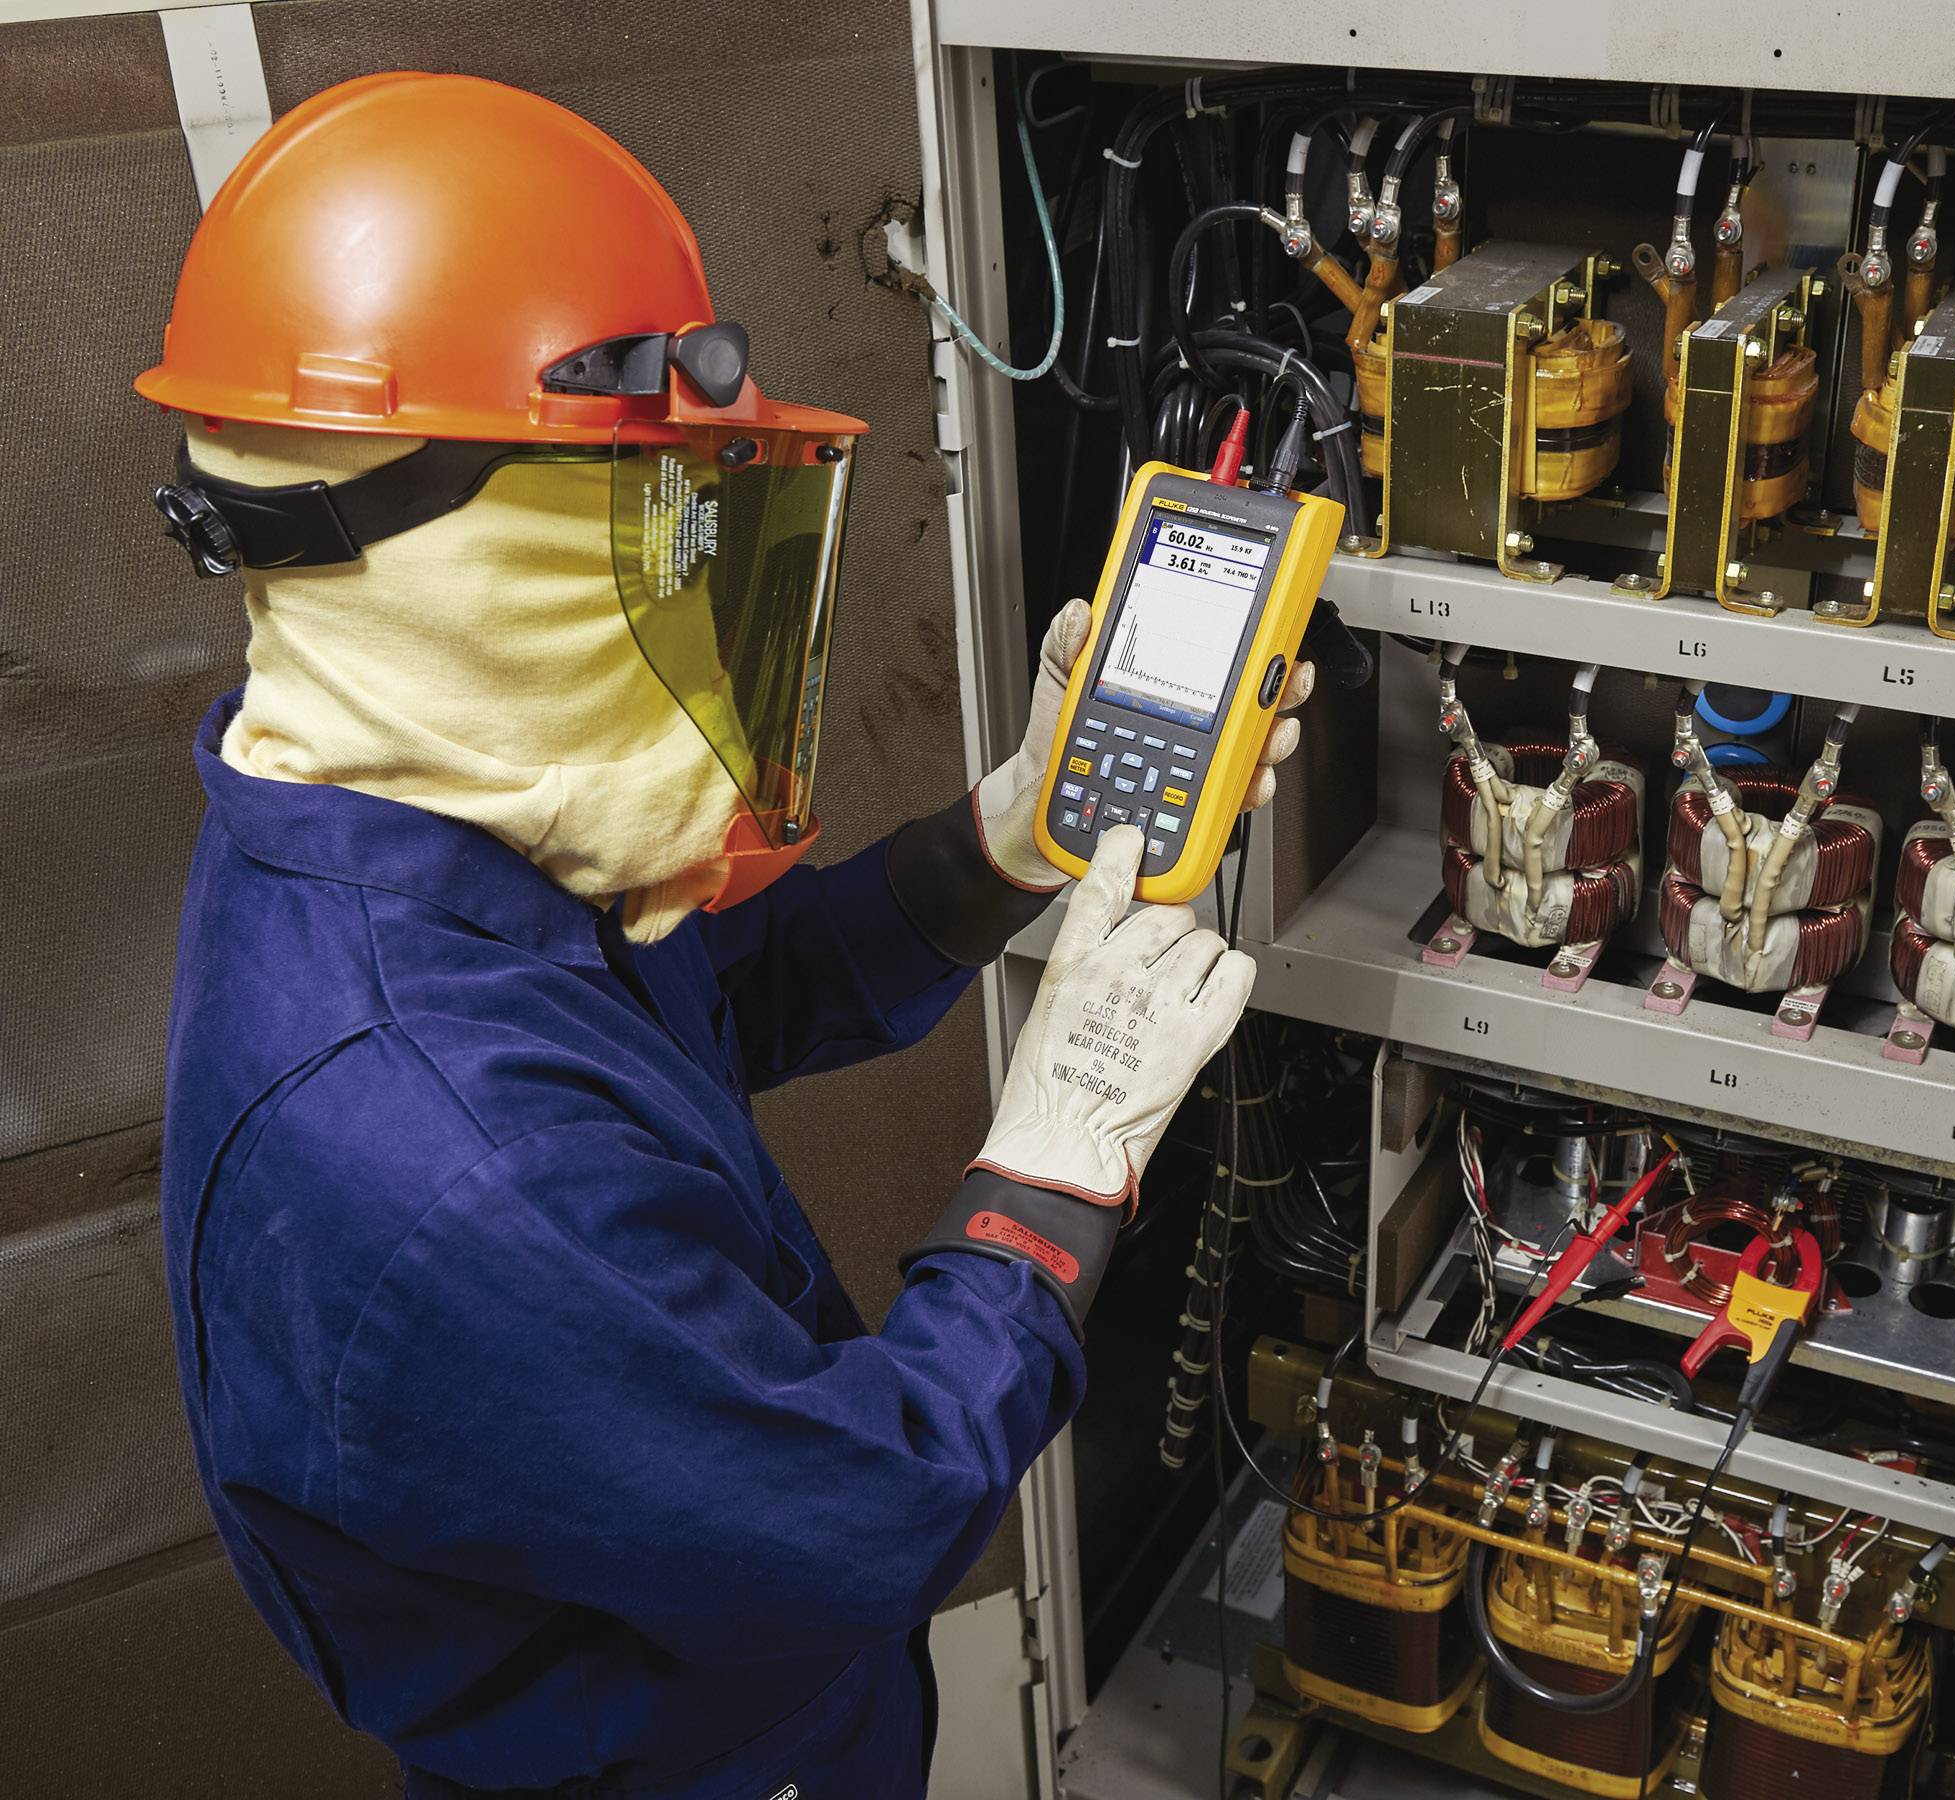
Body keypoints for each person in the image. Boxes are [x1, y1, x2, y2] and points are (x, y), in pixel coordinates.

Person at [141, 73, 1309, 1798]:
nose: (691, 589)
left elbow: (696, 1008)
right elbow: (864, 1507)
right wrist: (1058, 1167)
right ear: (485, 552)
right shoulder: (438, 1156)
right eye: (651, 521)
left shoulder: (386, 812)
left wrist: (1010, 835)